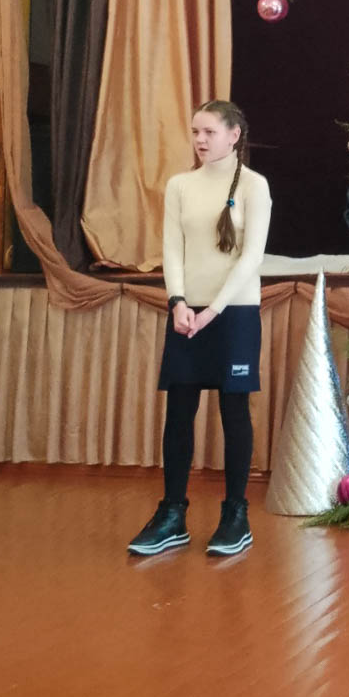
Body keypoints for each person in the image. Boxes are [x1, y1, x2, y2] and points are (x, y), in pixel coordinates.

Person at [128, 100, 272, 558]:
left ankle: (235, 515)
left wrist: (215, 310)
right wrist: (178, 301)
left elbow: (251, 257)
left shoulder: (254, 186)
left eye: (209, 131)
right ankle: (172, 514)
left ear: (234, 135)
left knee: (234, 411)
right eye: (195, 132)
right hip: (187, 313)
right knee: (179, 411)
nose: (200, 140)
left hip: (234, 312)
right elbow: (172, 248)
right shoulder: (180, 186)